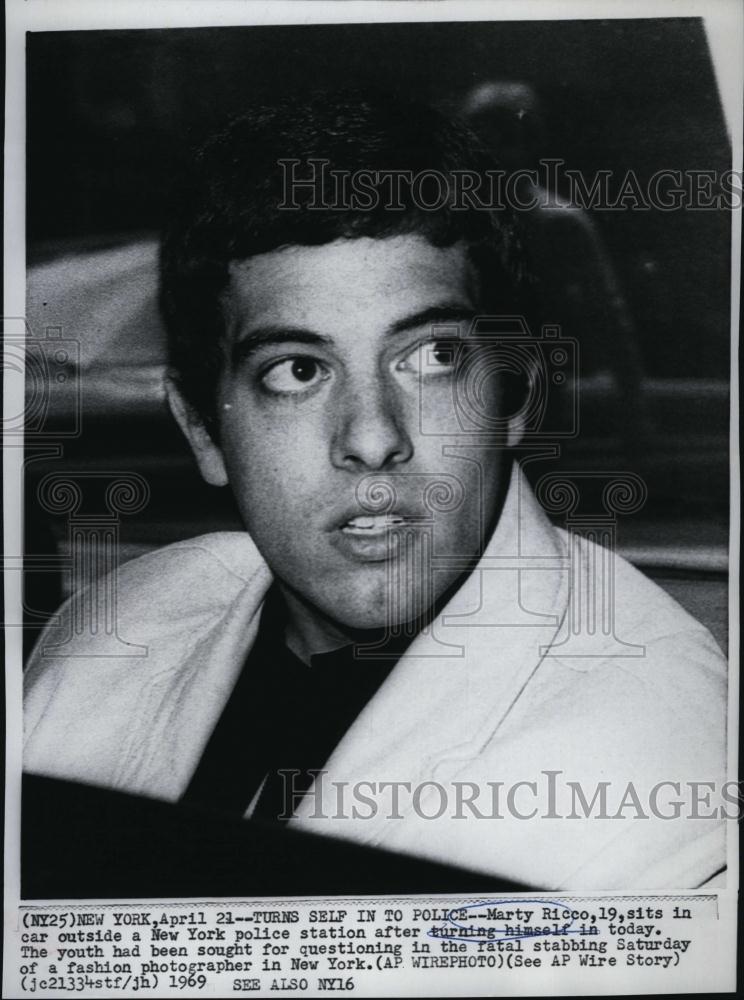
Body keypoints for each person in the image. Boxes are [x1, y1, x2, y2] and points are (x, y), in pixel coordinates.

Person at [23, 90, 727, 889]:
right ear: (202, 431)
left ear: (515, 397)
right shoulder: (107, 635)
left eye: (431, 358)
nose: (372, 439)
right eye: (298, 371)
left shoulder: (653, 766)